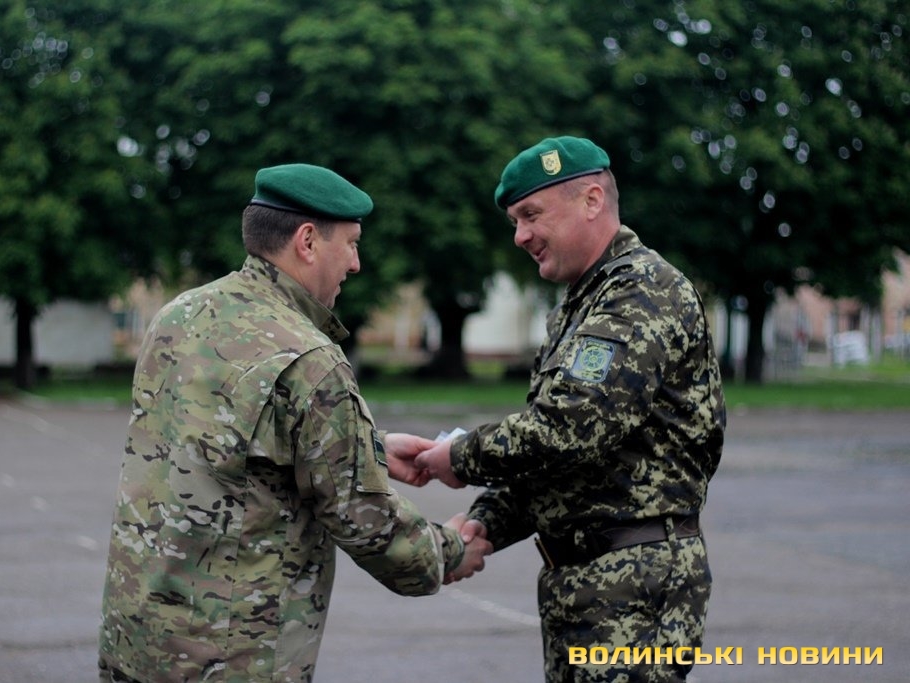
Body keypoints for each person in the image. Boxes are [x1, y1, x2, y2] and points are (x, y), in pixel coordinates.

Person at [98, 163, 492, 683]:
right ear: (307, 241)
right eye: (351, 244)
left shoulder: (179, 316)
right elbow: (369, 524)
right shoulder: (310, 359)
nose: (356, 263)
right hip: (232, 657)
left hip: (137, 638)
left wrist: (370, 447)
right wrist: (451, 551)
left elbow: (222, 443)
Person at [414, 136, 726, 682]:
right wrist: (485, 522)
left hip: (632, 582)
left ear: (591, 200)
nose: (520, 236)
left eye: (531, 215)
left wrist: (458, 457)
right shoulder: (583, 304)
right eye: (515, 221)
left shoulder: (639, 292)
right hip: (589, 581)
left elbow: (569, 428)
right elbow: (562, 462)